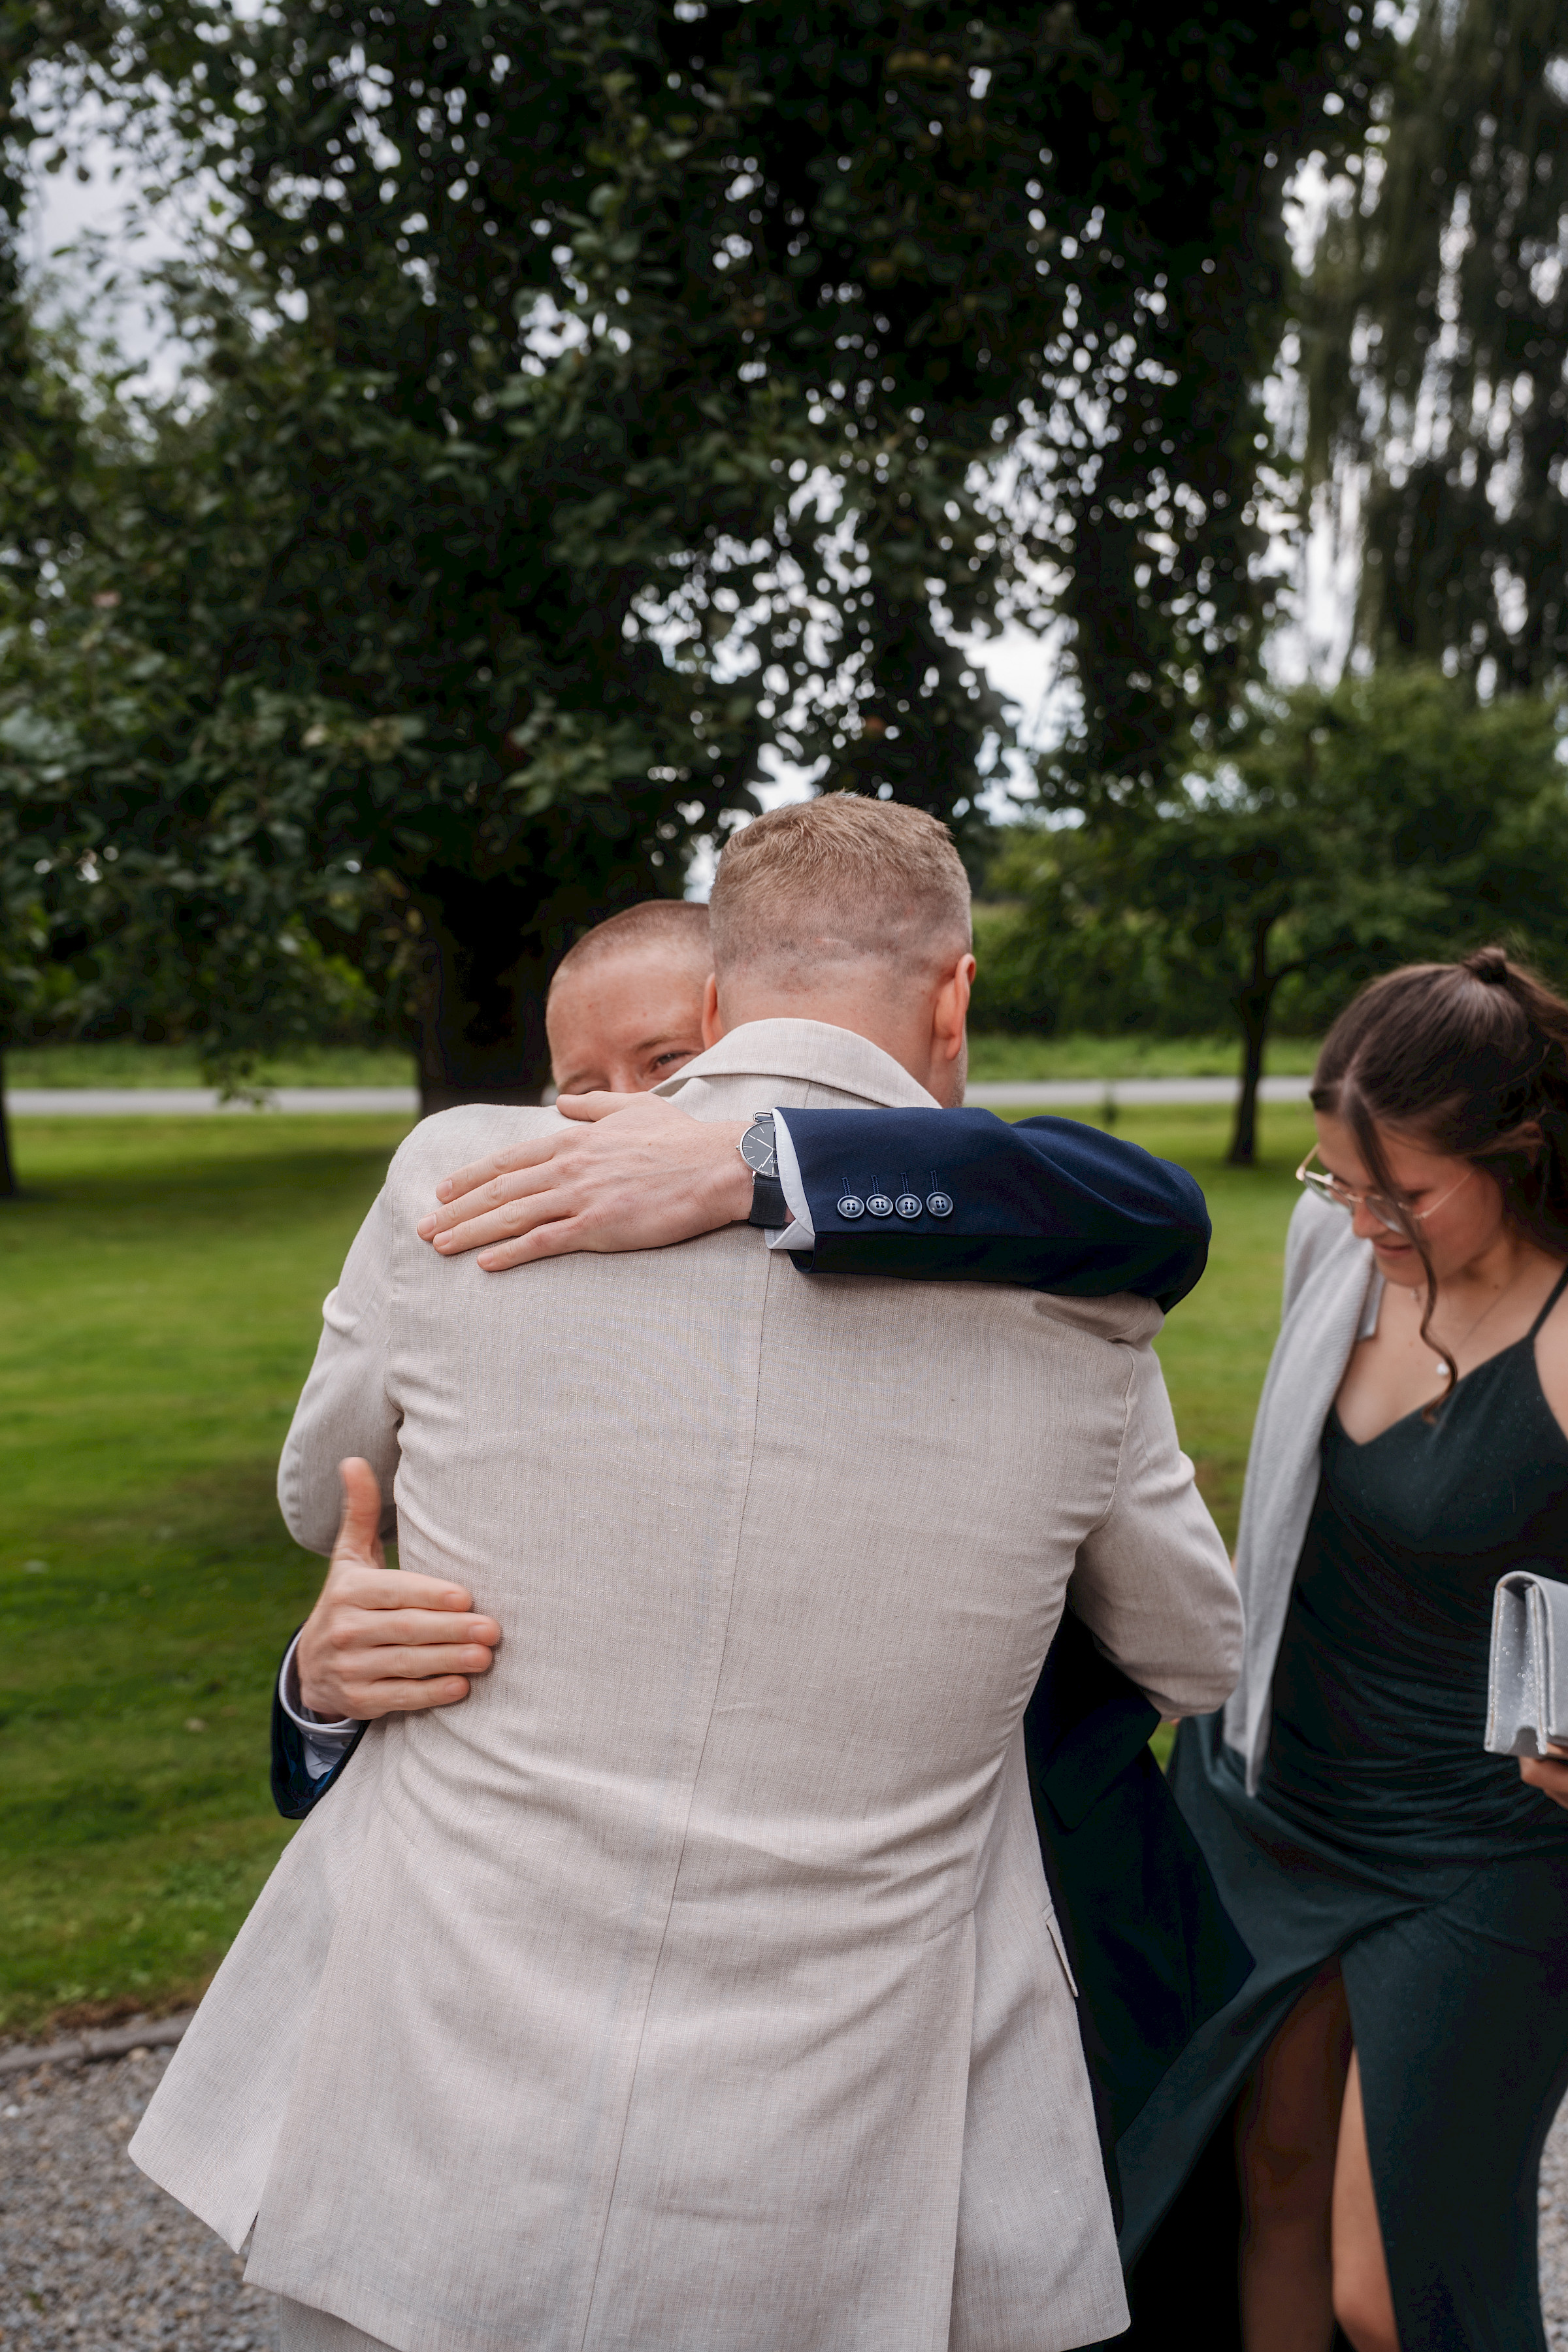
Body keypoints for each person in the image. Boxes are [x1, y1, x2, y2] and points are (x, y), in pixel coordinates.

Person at [131, 794, 1241, 2352]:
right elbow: (1194, 1653)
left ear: (716, 1005)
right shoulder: (1077, 1303)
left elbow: (324, 1492)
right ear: (957, 997)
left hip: (427, 2117)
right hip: (837, 2168)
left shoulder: (462, 1182)